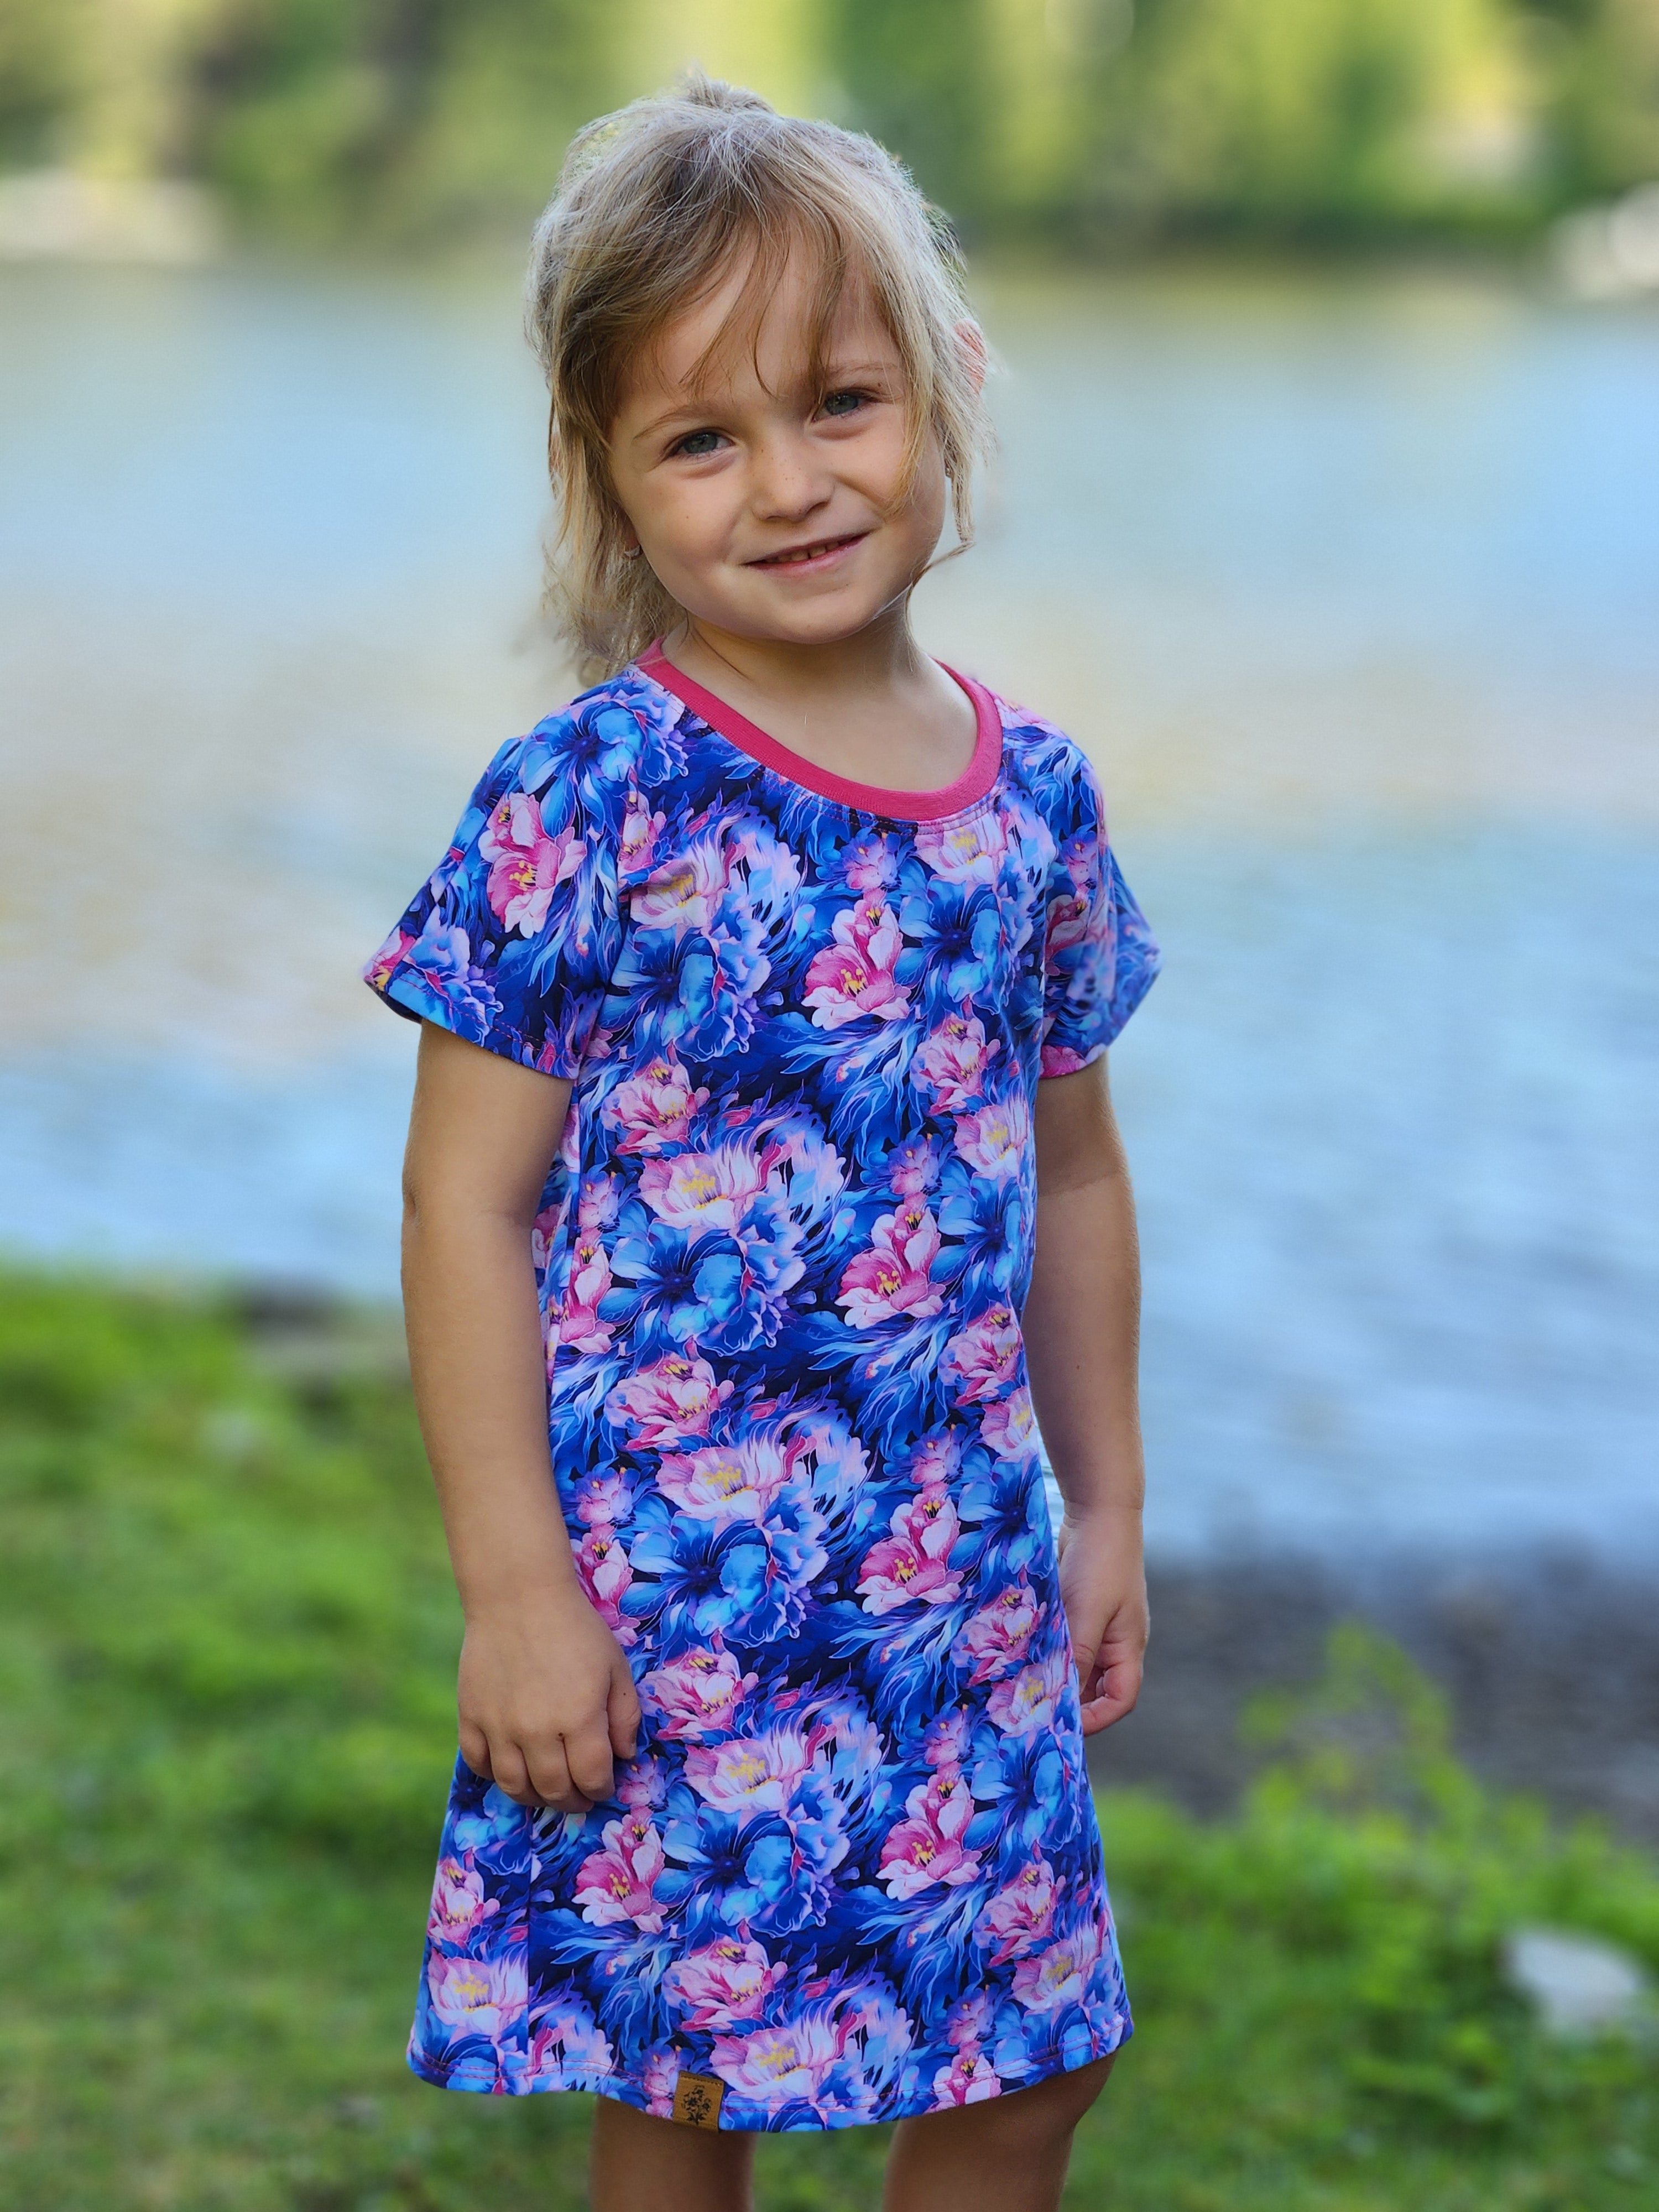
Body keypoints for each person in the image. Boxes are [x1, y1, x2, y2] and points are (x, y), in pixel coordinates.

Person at [366, 71, 1160, 2212]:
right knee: (692, 2086)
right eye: (703, 438)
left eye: (840, 403)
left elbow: (1074, 1173)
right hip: (672, 1595)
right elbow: (466, 1200)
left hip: (956, 1577)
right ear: (607, 479)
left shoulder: (1035, 799)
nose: (790, 484)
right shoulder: (588, 795)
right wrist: (515, 1590)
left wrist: (1108, 1498)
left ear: (949, 397)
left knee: (1023, 2060)